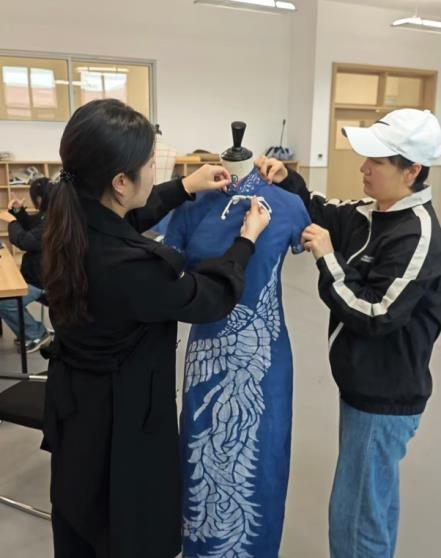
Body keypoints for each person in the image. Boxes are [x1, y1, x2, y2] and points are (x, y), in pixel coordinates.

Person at [41, 98, 269, 558]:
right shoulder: (132, 268)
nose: (153, 172)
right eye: (149, 165)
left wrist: (185, 186)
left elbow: (127, 218)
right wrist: (245, 241)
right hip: (121, 423)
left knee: (82, 518)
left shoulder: (68, 220)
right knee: (126, 528)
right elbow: (208, 298)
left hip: (77, 409)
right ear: (120, 182)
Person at [256, 108, 441, 558]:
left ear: (412, 171)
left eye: (377, 161)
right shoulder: (371, 212)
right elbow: (321, 209)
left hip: (384, 396)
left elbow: (376, 314)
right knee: (371, 504)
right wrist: (287, 179)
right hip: (362, 387)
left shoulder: (416, 234)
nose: (364, 168)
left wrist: (327, 259)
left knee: (355, 519)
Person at [0, 177, 53, 352]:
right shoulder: (49, 214)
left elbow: (24, 240)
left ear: (38, 199)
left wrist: (12, 221)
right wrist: (18, 211)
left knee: (4, 301)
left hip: (45, 283)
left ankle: (36, 334)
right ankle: (27, 330)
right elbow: (31, 225)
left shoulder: (53, 220)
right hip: (38, 277)